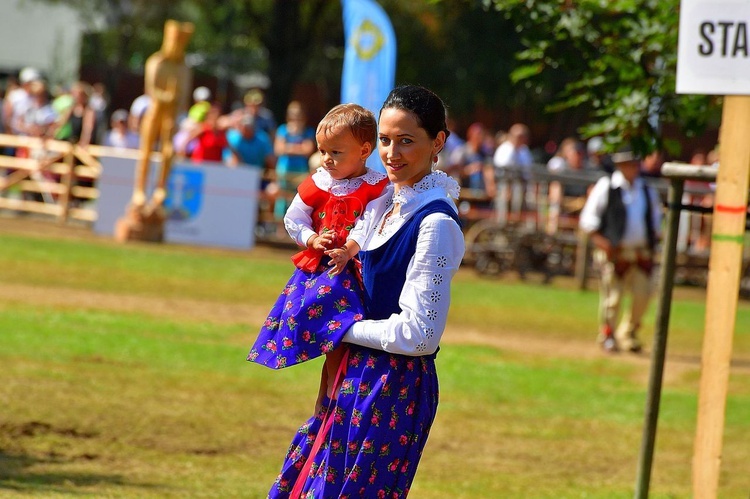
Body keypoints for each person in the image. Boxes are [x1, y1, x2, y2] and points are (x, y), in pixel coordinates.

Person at [264, 85, 464, 497]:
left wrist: (337, 327)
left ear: (437, 142)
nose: (392, 153)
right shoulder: (383, 202)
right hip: (353, 373)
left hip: (393, 387)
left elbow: (419, 335)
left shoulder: (435, 223)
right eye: (387, 140)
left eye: (406, 141)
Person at [247, 102, 387, 382]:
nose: (326, 159)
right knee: (321, 324)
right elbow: (293, 217)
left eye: (336, 152)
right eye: (322, 151)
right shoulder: (319, 182)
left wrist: (348, 250)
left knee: (347, 336)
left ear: (364, 151)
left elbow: (367, 223)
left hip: (356, 266)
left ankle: (338, 389)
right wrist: (311, 238)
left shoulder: (378, 187)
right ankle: (332, 391)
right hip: (320, 270)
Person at [579, 151, 663, 353]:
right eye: (628, 164)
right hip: (615, 251)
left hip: (640, 251)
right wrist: (604, 244)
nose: (632, 168)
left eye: (635, 163)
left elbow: (655, 222)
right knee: (612, 298)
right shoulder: (607, 186)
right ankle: (608, 333)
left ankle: (629, 332)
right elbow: (588, 221)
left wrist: (653, 244)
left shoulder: (646, 189)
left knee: (644, 294)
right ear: (620, 165)